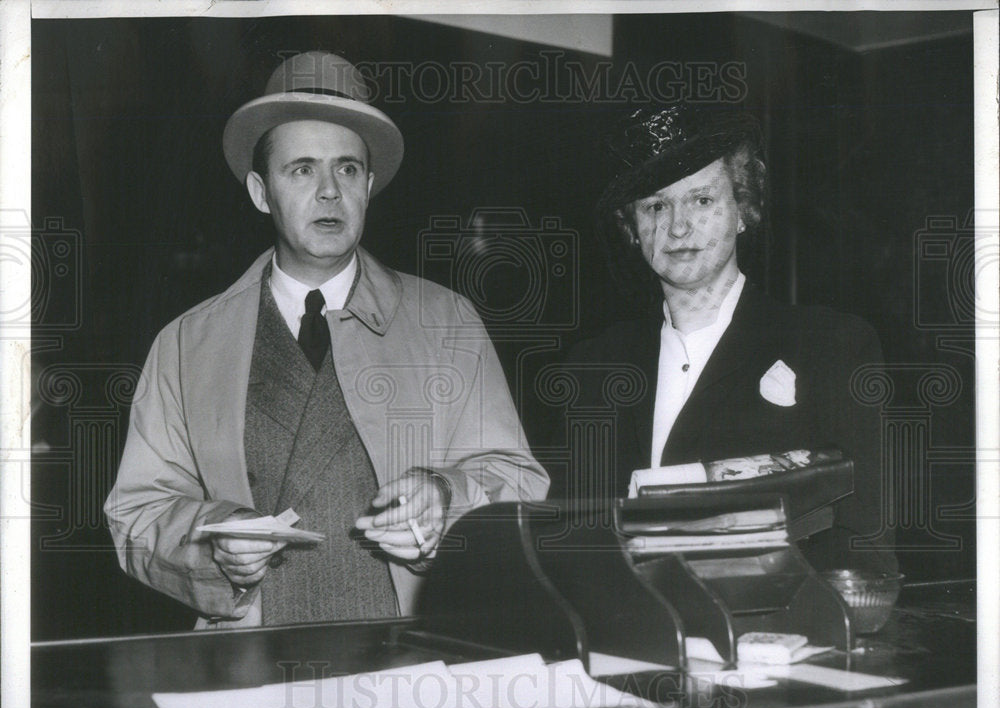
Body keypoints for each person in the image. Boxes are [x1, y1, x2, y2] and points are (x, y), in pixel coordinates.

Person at [105, 52, 548, 629]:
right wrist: (214, 541)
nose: (329, 193)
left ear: (369, 185)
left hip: (413, 659)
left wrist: (446, 495)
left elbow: (519, 479)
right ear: (261, 193)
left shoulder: (447, 321)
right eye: (301, 170)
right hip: (247, 663)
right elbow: (136, 513)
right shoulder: (187, 342)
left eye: (346, 169)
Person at [555, 104, 895, 572]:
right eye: (655, 205)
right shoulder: (594, 365)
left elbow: (862, 542)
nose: (677, 226)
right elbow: (569, 540)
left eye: (701, 200)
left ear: (743, 211)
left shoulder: (830, 344)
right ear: (632, 228)